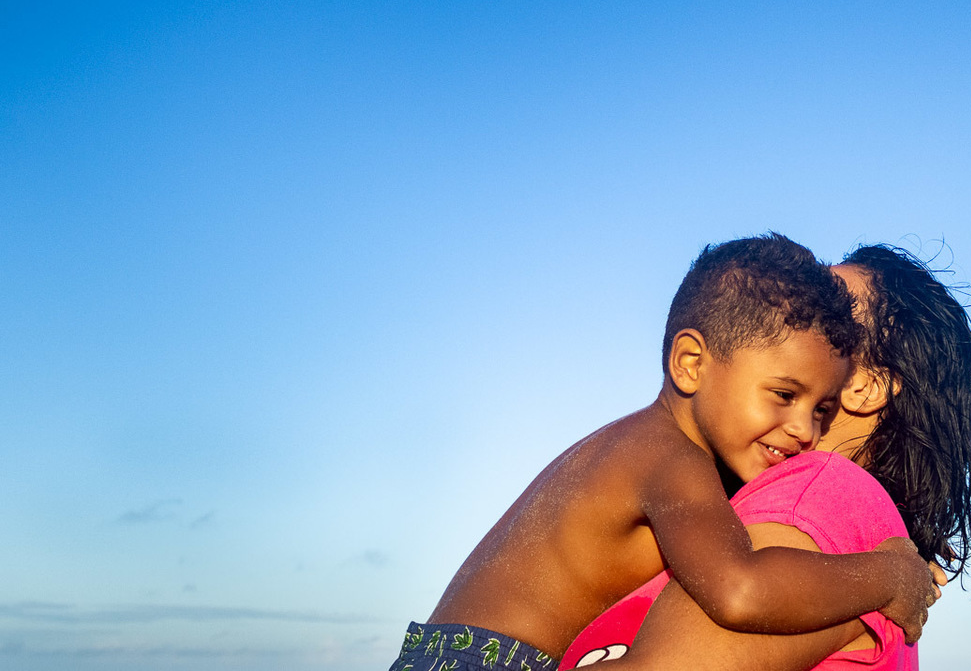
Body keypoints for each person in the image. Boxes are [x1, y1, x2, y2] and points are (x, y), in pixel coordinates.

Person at [388, 236, 940, 671]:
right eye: (784, 395)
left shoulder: (644, 448)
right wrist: (887, 578)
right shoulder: (672, 462)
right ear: (691, 363)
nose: (803, 429)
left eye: (822, 408)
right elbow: (740, 589)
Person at [559, 244, 971, 671]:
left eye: (834, 306)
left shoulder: (817, 490)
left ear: (864, 385)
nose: (805, 297)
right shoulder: (827, 516)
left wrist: (891, 577)